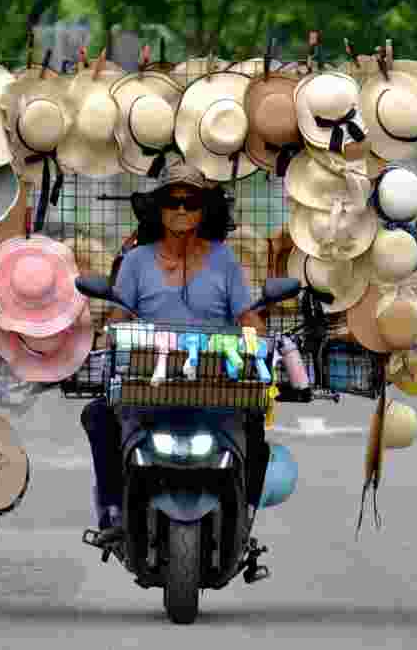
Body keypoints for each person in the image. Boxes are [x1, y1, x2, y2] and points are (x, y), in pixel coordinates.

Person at [80, 160, 269, 546]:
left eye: (191, 202)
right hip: (148, 386)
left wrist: (260, 345)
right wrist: (108, 339)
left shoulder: (224, 260)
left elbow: (249, 319)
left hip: (217, 387)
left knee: (255, 424)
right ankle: (113, 510)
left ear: (204, 210)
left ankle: (244, 517)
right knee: (98, 415)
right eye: (172, 201)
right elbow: (118, 319)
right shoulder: (134, 262)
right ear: (159, 208)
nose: (181, 210)